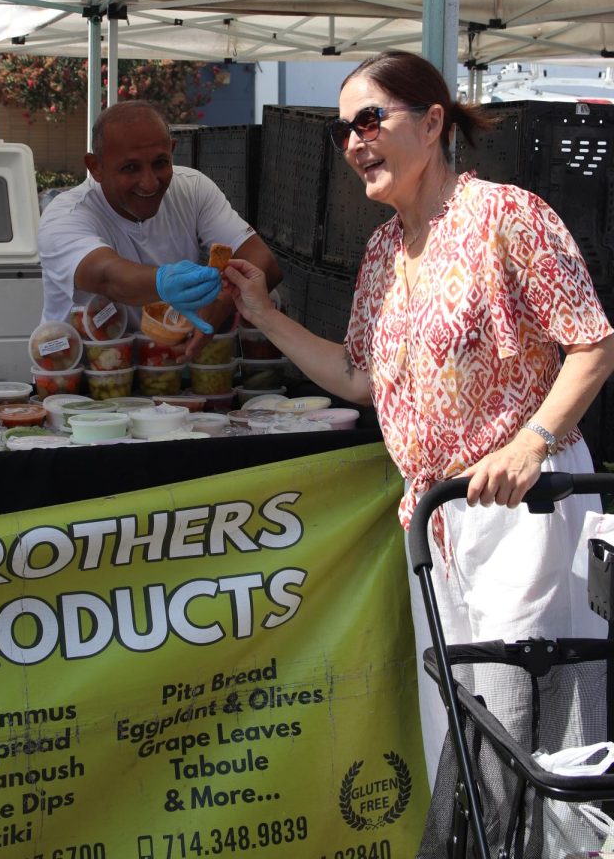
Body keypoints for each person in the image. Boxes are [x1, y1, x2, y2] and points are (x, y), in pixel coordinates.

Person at [223, 49, 614, 786]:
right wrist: (266, 316)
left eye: (370, 119)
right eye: (343, 130)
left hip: (521, 512)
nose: (353, 143)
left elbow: (592, 345)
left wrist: (531, 445)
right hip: (436, 521)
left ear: (433, 122)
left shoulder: (507, 215)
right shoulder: (380, 251)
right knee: (462, 733)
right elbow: (359, 376)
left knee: (534, 736)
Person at [38, 100, 282, 356]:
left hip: (171, 369)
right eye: (130, 168)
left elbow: (263, 263)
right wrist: (164, 281)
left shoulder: (193, 189)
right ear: (95, 167)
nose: (149, 182)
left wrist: (217, 307)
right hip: (76, 376)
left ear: (172, 151)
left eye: (160, 163)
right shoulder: (65, 216)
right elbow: (108, 277)